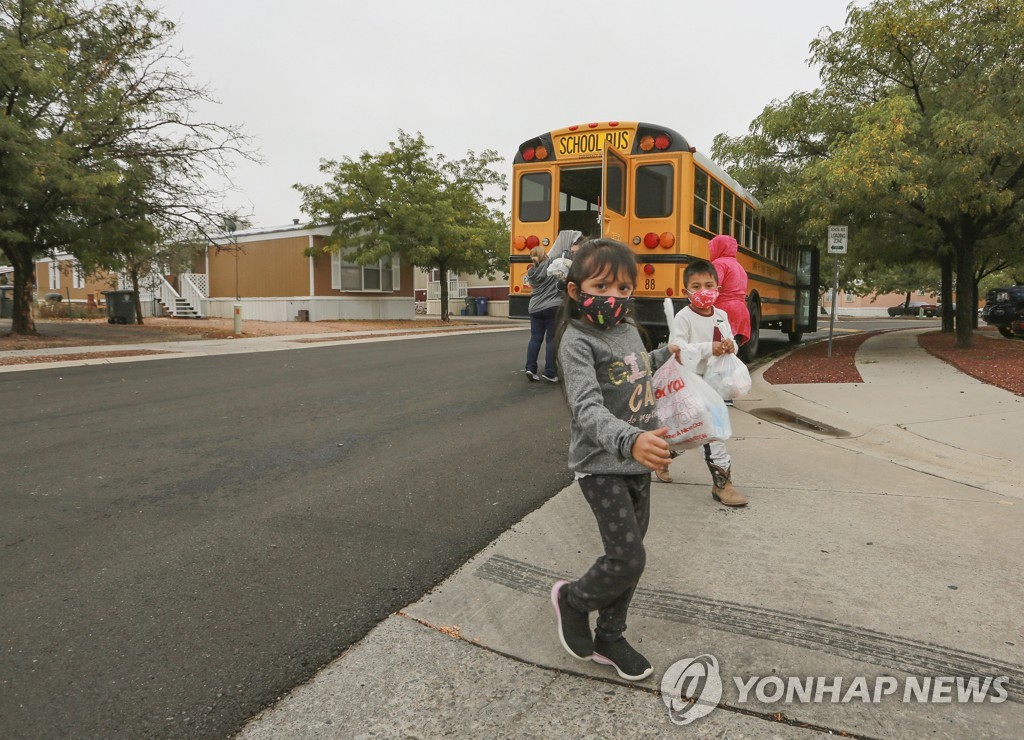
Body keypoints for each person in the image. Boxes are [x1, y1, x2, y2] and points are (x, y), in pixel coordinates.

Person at [550, 238, 681, 682]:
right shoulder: (577, 340)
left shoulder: (625, 329)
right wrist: (631, 442)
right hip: (603, 463)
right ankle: (573, 600)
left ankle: (610, 635)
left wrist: (666, 357)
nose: (614, 298)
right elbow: (587, 410)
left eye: (624, 289)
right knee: (626, 558)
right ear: (575, 290)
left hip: (637, 463)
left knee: (632, 555)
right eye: (602, 286)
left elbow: (636, 367)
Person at [662, 258, 748, 506]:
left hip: (715, 383)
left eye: (708, 285)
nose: (703, 291)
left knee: (696, 430)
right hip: (691, 382)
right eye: (696, 286)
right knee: (713, 432)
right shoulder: (683, 317)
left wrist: (730, 347)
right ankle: (723, 484)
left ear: (718, 288)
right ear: (685, 291)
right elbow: (678, 349)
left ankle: (665, 454)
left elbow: (729, 343)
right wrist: (710, 348)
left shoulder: (721, 315)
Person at [524, 230, 582, 381]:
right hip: (552, 307)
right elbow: (563, 252)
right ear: (545, 255)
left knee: (535, 338)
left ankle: (530, 368)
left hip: (535, 308)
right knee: (551, 340)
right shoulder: (553, 264)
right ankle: (550, 372)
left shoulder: (531, 272)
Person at [708, 234, 750, 347]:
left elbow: (713, 287)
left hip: (724, 312)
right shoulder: (739, 266)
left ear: (719, 247)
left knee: (718, 350)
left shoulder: (718, 264)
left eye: (712, 248)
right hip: (742, 313)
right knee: (732, 351)